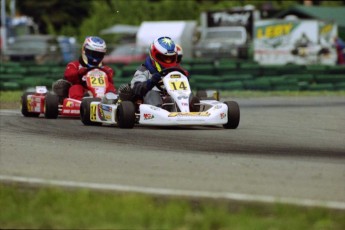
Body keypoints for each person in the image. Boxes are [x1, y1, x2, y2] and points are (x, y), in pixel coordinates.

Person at [129, 36, 189, 107]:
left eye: (170, 58)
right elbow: (136, 89)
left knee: (189, 95)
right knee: (152, 93)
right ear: (155, 55)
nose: (168, 61)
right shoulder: (144, 70)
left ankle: (191, 109)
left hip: (173, 101)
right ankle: (161, 108)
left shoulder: (175, 72)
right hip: (151, 106)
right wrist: (151, 82)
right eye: (165, 58)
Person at [61, 36, 116, 100]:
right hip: (84, 91)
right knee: (76, 88)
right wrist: (79, 73)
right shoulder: (74, 65)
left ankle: (112, 101)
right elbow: (68, 76)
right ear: (84, 50)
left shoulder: (105, 68)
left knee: (110, 86)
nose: (96, 57)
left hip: (101, 94)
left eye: (99, 54)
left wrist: (107, 73)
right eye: (93, 53)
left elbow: (111, 78)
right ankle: (80, 103)